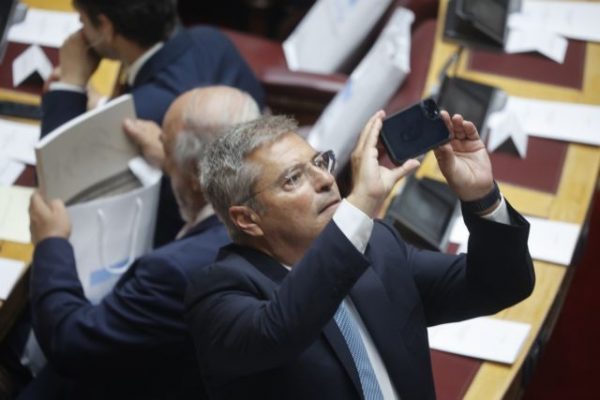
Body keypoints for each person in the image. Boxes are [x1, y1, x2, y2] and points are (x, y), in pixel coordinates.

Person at [185, 110, 535, 399]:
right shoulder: (219, 295)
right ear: (247, 219)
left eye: (320, 162)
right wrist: (361, 204)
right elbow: (281, 330)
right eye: (293, 179)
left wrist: (482, 198)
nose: (325, 180)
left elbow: (500, 285)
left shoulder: (376, 246)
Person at [22, 86, 260, 399]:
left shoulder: (173, 272)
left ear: (195, 175)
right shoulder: (264, 214)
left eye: (166, 143)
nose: (159, 144)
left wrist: (50, 242)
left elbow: (69, 341)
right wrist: (172, 161)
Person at [40, 0, 265, 245]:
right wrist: (103, 106)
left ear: (105, 26)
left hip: (167, 240)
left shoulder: (139, 115)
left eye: (82, 21)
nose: (80, 32)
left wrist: (70, 84)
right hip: (252, 203)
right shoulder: (212, 40)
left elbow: (56, 190)